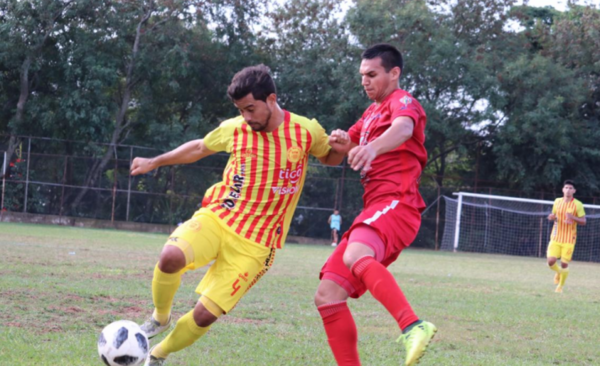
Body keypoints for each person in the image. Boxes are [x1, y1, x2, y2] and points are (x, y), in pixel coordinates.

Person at [130, 64, 346, 365]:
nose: (246, 117)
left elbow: (329, 156)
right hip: (219, 217)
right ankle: (159, 317)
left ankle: (157, 354)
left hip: (257, 244)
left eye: (250, 109)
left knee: (204, 315)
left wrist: (342, 148)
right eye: (240, 110)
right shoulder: (235, 129)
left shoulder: (306, 130)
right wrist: (155, 161)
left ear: (271, 99)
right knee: (170, 256)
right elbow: (198, 148)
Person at [313, 43, 436, 366]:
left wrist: (372, 148)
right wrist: (341, 143)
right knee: (327, 295)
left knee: (355, 254)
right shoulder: (369, 114)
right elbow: (336, 156)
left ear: (394, 73)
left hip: (398, 202)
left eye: (372, 74)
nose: (364, 81)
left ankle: (414, 326)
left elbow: (404, 128)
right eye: (362, 76)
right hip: (375, 209)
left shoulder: (403, 101)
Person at [547, 180, 586, 293]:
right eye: (566, 188)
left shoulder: (578, 204)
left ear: (574, 191)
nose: (568, 190)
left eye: (570, 188)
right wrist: (551, 217)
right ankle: (559, 272)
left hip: (569, 238)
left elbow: (583, 221)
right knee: (551, 261)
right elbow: (555, 216)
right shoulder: (557, 201)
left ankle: (560, 287)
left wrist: (573, 218)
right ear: (563, 189)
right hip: (556, 236)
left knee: (564, 263)